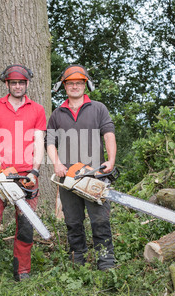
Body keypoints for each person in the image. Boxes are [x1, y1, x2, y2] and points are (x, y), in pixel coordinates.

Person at [0, 64, 46, 281]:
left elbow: (39, 143)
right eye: (13, 82)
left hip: (26, 177)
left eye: (21, 83)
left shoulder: (38, 110)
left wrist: (35, 171)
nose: (17, 86)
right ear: (7, 84)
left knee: (25, 227)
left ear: (27, 84)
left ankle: (22, 272)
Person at [46, 64, 117, 270]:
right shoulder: (57, 114)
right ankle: (78, 262)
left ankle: (106, 262)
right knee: (73, 222)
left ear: (85, 85)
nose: (75, 87)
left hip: (94, 174)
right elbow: (50, 142)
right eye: (70, 83)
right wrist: (57, 163)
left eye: (79, 83)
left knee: (100, 221)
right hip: (67, 177)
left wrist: (110, 161)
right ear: (64, 86)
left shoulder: (98, 108)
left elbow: (109, 134)